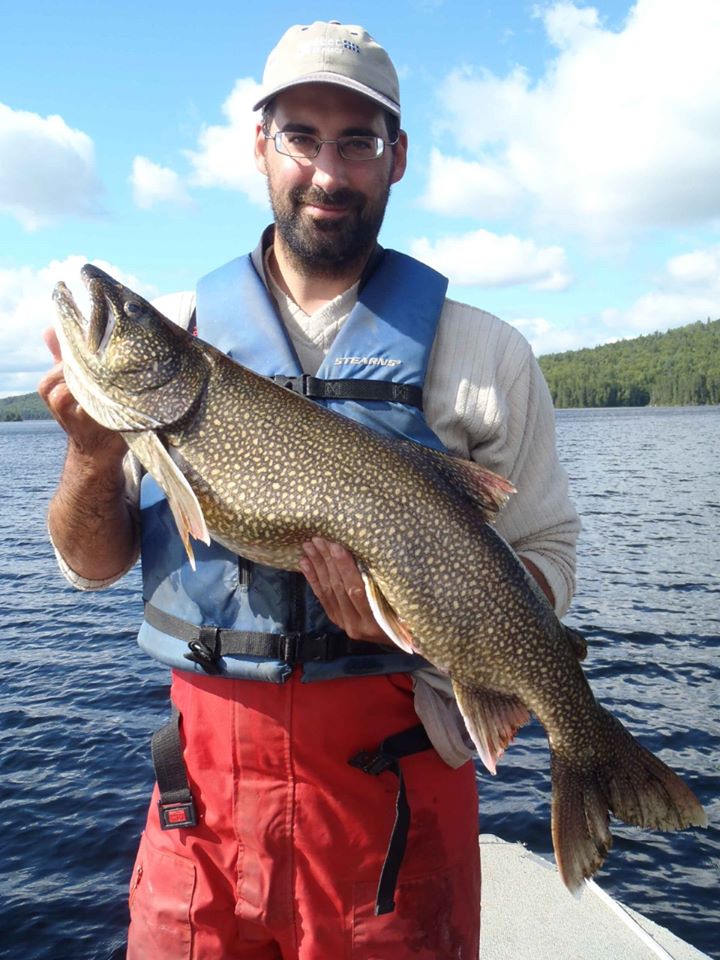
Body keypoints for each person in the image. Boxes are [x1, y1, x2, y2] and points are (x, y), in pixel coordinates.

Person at [39, 20, 580, 960]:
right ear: (260, 147)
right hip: (201, 818)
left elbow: (548, 567)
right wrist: (90, 455)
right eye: (301, 136)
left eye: (358, 140)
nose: (327, 171)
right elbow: (91, 566)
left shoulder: (488, 354)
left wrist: (412, 624)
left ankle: (594, 757)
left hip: (397, 811)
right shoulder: (184, 338)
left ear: (397, 157)